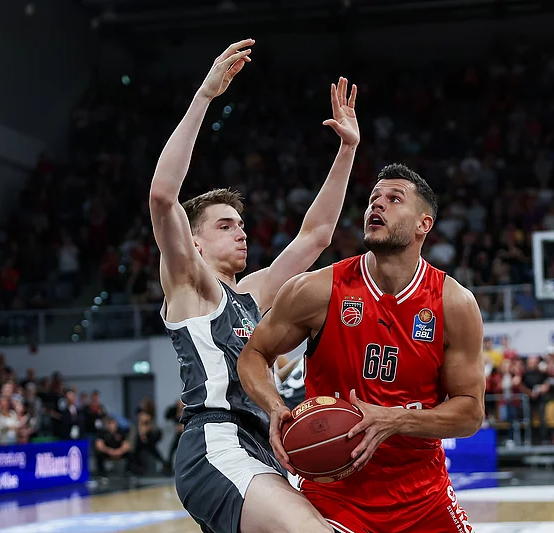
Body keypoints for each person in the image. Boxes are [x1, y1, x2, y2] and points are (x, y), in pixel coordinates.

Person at [149, 38, 359, 533]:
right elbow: (162, 195)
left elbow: (317, 236)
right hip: (216, 444)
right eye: (224, 225)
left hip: (261, 448)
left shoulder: (255, 294)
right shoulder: (191, 286)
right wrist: (205, 97)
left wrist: (348, 149)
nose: (240, 231)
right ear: (194, 244)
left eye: (241, 224)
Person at [239, 163, 485, 533]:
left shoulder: (454, 304)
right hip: (334, 493)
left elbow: (469, 413)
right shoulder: (316, 291)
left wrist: (394, 420)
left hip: (422, 494)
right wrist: (275, 407)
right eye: (374, 199)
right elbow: (253, 355)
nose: (377, 205)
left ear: (424, 224)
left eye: (393, 199)